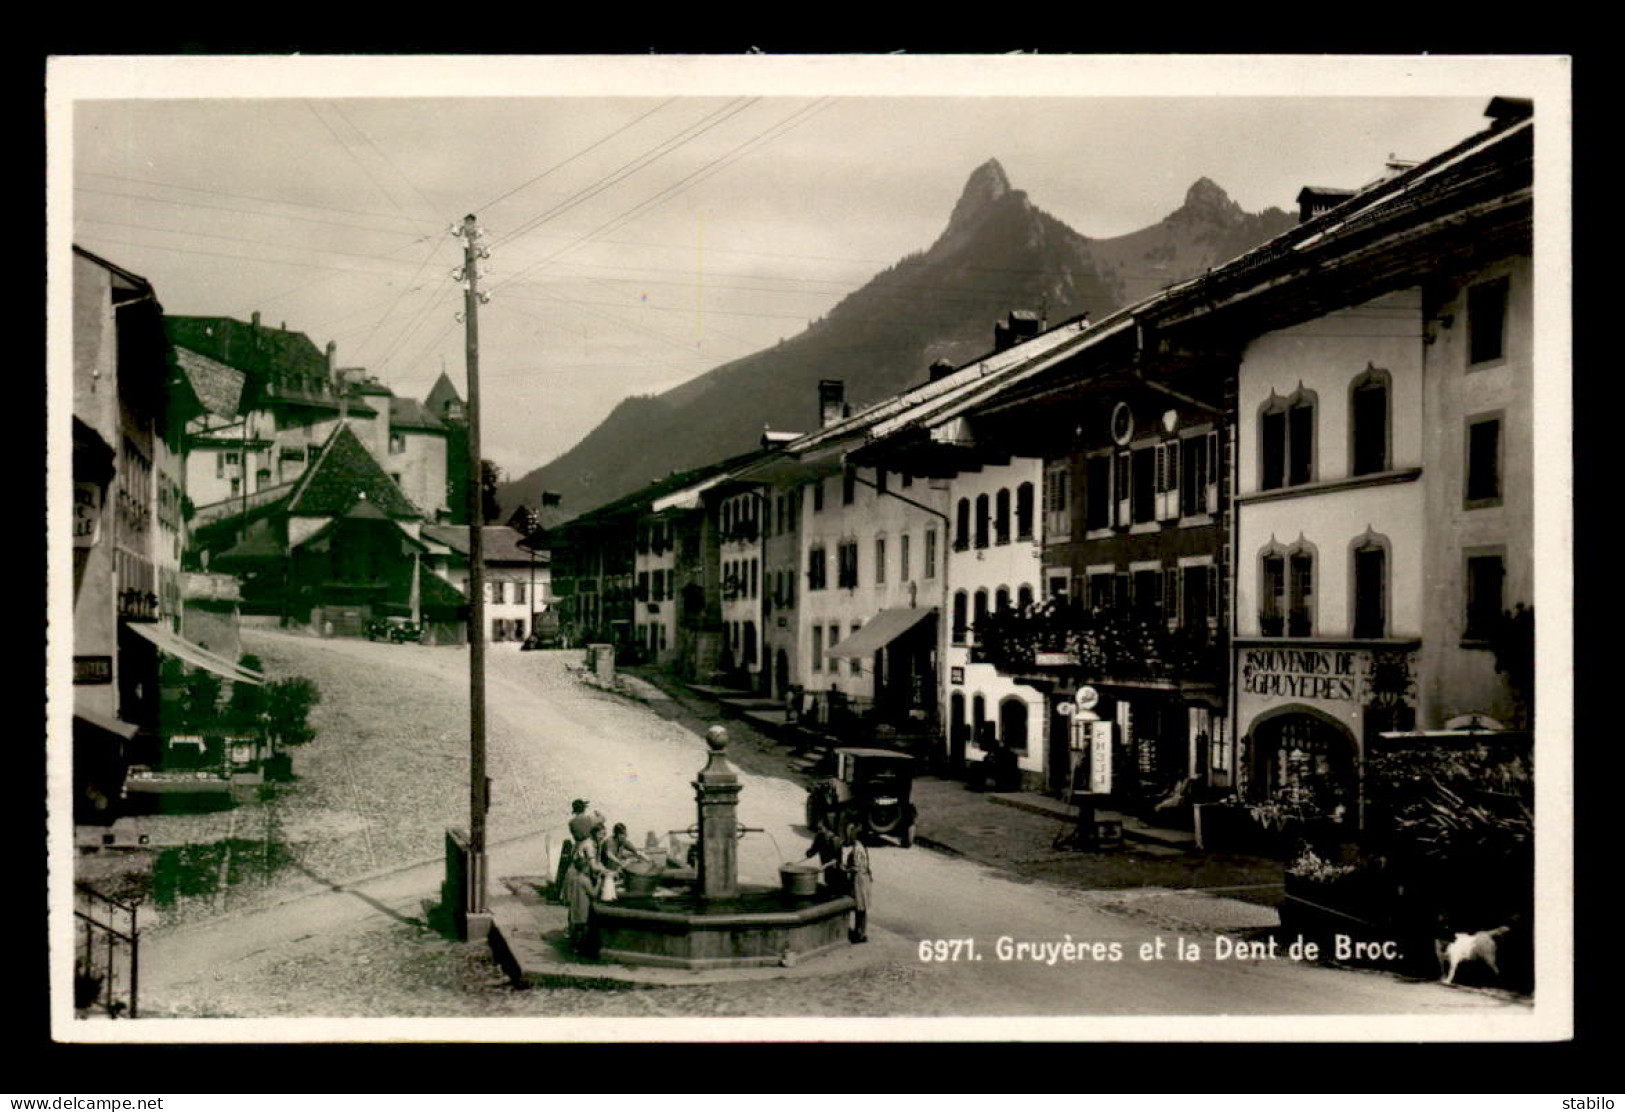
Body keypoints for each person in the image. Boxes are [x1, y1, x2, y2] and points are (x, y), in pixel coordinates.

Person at [566, 821, 609, 949]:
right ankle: (576, 938)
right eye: (601, 834)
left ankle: (574, 935)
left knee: (576, 906)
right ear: (595, 833)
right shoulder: (589, 845)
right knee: (578, 903)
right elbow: (593, 866)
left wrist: (606, 870)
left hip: (580, 873)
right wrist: (606, 873)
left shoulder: (595, 843)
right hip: (577, 873)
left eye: (605, 834)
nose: (603, 836)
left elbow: (597, 863)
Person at [841, 822, 872, 943]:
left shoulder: (857, 849)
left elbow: (857, 867)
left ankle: (860, 933)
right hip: (864, 878)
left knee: (860, 907)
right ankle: (861, 932)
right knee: (862, 907)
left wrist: (845, 869)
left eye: (850, 833)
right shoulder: (861, 847)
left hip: (859, 879)